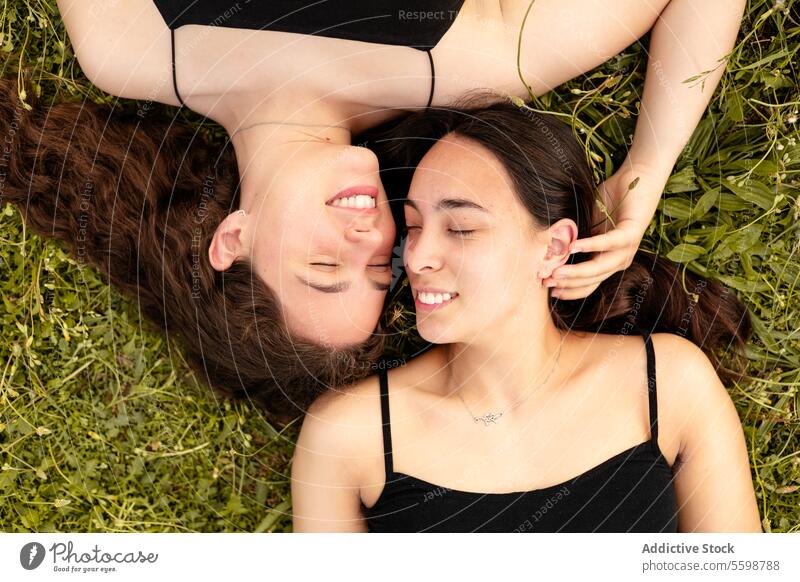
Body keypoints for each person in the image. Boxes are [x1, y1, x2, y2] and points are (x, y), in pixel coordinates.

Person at [2, 0, 746, 421]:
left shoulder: (129, 45)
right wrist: (649, 164)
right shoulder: (483, 61)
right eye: (378, 263)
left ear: (233, 237)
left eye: (327, 265)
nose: (368, 235)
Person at [290, 99, 763, 532]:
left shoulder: (668, 384)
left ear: (553, 248)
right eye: (413, 226)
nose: (414, 259)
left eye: (460, 228)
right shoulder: (347, 437)